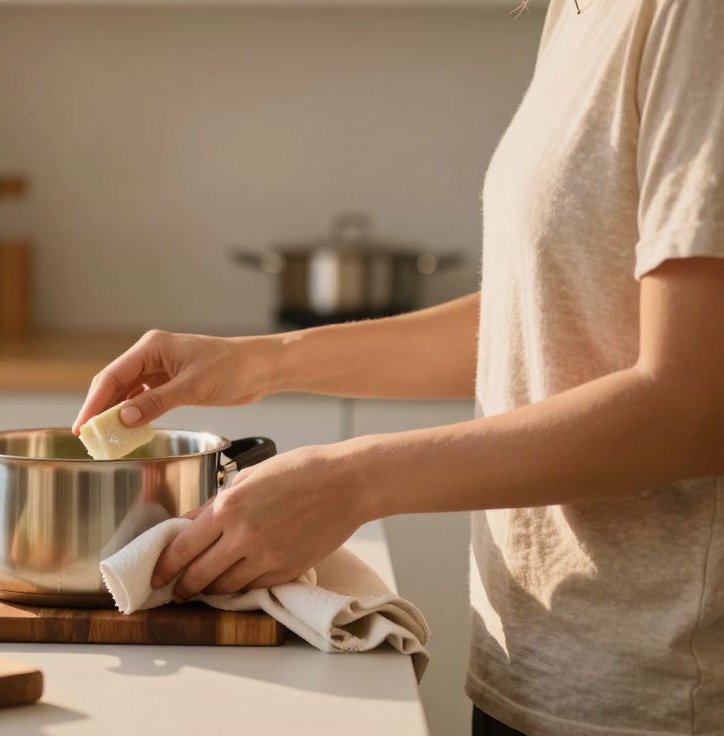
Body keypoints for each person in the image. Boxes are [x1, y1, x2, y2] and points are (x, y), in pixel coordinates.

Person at [71, 1, 724, 734]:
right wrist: (261, 359)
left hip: (660, 697)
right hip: (539, 668)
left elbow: (693, 407)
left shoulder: (693, 16)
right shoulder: (582, 13)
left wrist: (351, 482)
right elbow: (546, 316)